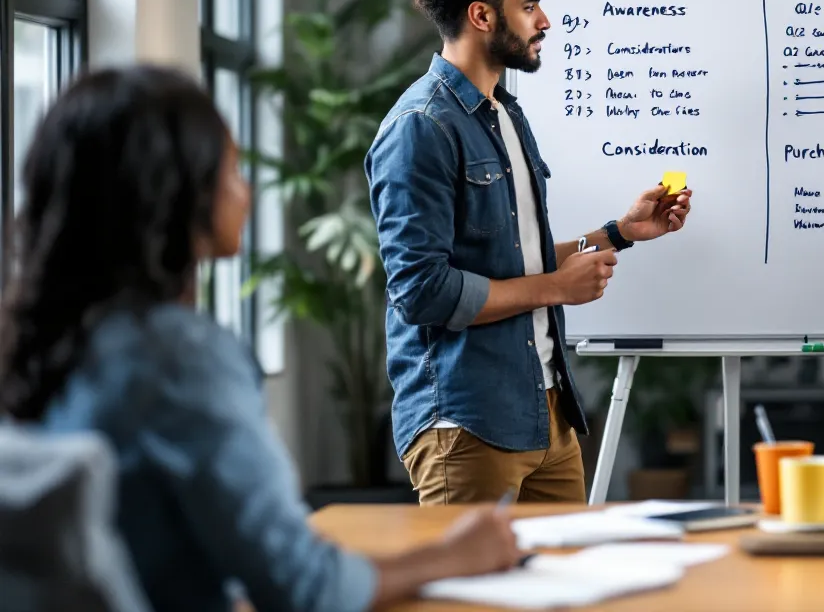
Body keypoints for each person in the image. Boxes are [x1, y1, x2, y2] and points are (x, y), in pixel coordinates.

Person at [0, 66, 523, 612]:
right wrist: (455, 554)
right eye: (231, 170)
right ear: (179, 196)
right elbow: (302, 585)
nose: (245, 191)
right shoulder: (180, 361)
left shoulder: (37, 346)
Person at [366, 0, 693, 505]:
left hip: (548, 414)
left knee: (565, 595)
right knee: (472, 600)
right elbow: (423, 292)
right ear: (482, 16)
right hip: (464, 425)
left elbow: (516, 258)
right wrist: (554, 288)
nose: (545, 21)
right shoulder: (420, 128)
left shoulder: (506, 115)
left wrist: (620, 232)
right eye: (530, 6)